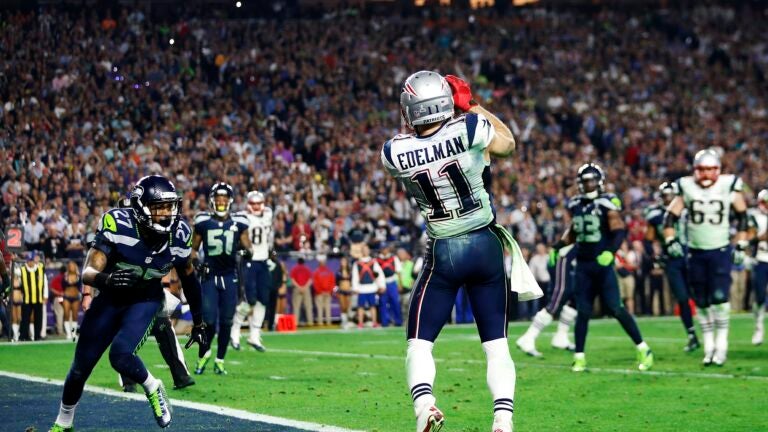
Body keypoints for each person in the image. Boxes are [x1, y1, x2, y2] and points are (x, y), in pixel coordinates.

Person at [381, 71, 519, 432]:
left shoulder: (394, 152)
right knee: (496, 345)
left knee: (419, 342)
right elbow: (507, 144)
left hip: (444, 249)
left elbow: (415, 140)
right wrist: (472, 106)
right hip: (484, 243)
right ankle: (503, 420)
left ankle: (424, 405)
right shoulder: (470, 128)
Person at [49, 175, 209, 432]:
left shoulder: (180, 234)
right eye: (159, 207)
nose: (167, 214)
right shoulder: (118, 223)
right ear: (141, 208)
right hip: (111, 297)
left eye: (170, 207)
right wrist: (107, 279)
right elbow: (88, 272)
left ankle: (153, 387)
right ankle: (63, 422)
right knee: (80, 369)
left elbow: (189, 278)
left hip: (146, 299)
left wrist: (199, 321)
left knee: (120, 355)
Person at [552, 163, 654, 373]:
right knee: (583, 312)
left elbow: (618, 231)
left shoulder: (607, 202)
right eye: (585, 181)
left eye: (591, 180)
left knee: (615, 308)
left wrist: (611, 252)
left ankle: (643, 348)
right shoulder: (575, 203)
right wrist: (559, 246)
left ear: (599, 181)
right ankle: (579, 357)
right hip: (583, 264)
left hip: (602, 263)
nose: (588, 184)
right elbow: (574, 230)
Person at [664, 149, 748, 365]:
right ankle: (709, 346)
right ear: (695, 170)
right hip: (696, 251)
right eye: (702, 169)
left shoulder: (728, 185)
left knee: (719, 297)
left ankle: (722, 345)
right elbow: (670, 217)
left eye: (711, 169)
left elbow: (743, 216)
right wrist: (670, 240)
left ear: (718, 170)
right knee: (700, 301)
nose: (706, 174)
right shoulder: (686, 186)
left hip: (719, 250)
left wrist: (741, 244)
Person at [192, 182, 251, 375]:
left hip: (229, 276)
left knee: (226, 321)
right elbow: (192, 249)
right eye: (218, 198)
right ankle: (205, 353)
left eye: (224, 198)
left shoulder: (239, 222)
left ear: (230, 201)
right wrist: (197, 262)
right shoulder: (203, 221)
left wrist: (245, 252)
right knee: (208, 320)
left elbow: (248, 247)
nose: (221, 201)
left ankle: (220, 360)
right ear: (212, 201)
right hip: (210, 276)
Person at [644, 181, 699, 351]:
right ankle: (691, 335)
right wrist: (656, 257)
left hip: (692, 256)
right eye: (664, 195)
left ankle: (710, 333)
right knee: (682, 298)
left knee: (701, 296)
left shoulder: (687, 210)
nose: (667, 199)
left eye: (670, 195)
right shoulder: (655, 215)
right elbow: (648, 240)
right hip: (672, 261)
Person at [515, 244, 578, 357]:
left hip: (577, 263)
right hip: (564, 261)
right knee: (556, 302)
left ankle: (561, 337)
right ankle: (528, 338)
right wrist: (558, 248)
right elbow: (569, 235)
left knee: (575, 300)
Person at [231, 191, 273, 352]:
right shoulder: (241, 217)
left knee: (263, 300)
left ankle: (254, 335)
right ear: (248, 204)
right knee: (249, 300)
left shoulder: (268, 213)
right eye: (253, 203)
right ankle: (235, 331)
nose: (256, 206)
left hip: (263, 261)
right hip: (248, 261)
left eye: (258, 203)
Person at [748, 189, 768, 345]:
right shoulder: (754, 216)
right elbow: (749, 239)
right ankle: (759, 328)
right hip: (761, 259)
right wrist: (762, 236)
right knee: (760, 296)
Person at [352, 244, 384, 329]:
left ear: (369, 251)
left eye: (367, 249)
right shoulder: (357, 263)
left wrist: (381, 285)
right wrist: (355, 287)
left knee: (372, 306)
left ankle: (374, 322)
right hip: (361, 288)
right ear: (361, 251)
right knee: (360, 306)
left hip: (372, 287)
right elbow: (355, 276)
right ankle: (360, 323)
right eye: (364, 250)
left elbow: (379, 274)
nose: (365, 251)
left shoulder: (374, 262)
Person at [18, 251, 48, 341]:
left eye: (32, 260)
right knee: (25, 318)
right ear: (27, 261)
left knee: (38, 318)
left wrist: (45, 295)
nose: (31, 262)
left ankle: (37, 336)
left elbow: (45, 282)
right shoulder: (21, 270)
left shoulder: (40, 268)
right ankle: (23, 336)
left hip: (38, 298)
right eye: (29, 260)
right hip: (27, 299)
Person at [376, 245, 402, 327]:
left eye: (386, 248)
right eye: (383, 249)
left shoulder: (394, 258)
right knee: (383, 303)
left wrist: (400, 284)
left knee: (395, 302)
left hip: (392, 282)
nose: (385, 250)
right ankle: (385, 322)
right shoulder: (377, 260)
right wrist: (378, 285)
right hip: (382, 283)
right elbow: (376, 274)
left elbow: (398, 272)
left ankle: (398, 321)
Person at [289, 257, 314, 326]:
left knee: (296, 307)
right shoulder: (307, 269)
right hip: (306, 289)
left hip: (297, 289)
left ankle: (295, 323)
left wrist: (299, 287)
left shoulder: (294, 269)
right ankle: (310, 322)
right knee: (308, 306)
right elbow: (310, 280)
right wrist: (305, 287)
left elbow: (292, 280)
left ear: (297, 262)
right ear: (304, 262)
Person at [312, 254, 335, 326]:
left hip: (323, 293)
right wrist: (326, 291)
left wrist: (328, 291)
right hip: (322, 293)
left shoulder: (318, 272)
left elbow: (332, 282)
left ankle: (325, 322)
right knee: (322, 309)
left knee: (324, 309)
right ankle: (324, 322)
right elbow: (315, 283)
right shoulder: (318, 272)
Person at [62, 261, 82, 341]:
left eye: (73, 265)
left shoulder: (78, 276)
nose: (71, 267)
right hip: (67, 297)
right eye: (69, 266)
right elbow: (63, 286)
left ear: (75, 267)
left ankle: (73, 333)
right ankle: (68, 334)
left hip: (75, 297)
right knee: (66, 315)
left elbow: (79, 286)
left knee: (75, 316)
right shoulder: (65, 276)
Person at [335, 255, 354, 329]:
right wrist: (337, 290)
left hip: (348, 290)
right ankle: (343, 321)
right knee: (342, 306)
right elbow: (336, 283)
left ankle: (347, 320)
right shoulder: (338, 272)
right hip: (341, 290)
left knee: (347, 306)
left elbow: (352, 281)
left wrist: (352, 289)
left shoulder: (350, 272)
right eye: (342, 261)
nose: (343, 263)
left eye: (344, 261)